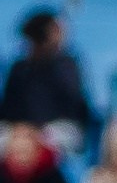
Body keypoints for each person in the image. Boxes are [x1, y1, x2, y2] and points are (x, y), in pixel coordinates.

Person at [1, 10, 97, 156]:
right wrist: (20, 129)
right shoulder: (19, 69)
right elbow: (8, 110)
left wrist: (36, 132)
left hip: (57, 129)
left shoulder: (67, 67)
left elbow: (75, 111)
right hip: (19, 130)